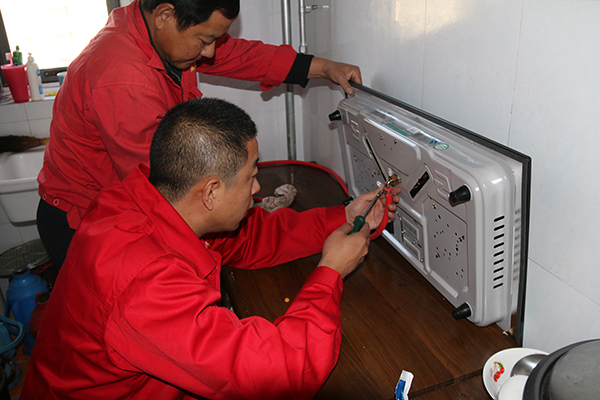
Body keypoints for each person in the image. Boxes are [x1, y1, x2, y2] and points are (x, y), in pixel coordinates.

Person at [22, 97, 399, 399]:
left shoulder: (143, 202)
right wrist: (330, 272)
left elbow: (250, 237)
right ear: (211, 192)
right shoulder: (143, 282)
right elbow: (281, 372)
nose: (257, 188)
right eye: (252, 175)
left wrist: (343, 217)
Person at [36, 0, 363, 268]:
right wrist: (328, 226)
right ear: (165, 14)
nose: (209, 52)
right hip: (81, 221)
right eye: (205, 40)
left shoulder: (156, 31)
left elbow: (243, 56)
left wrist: (324, 67)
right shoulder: (123, 80)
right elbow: (172, 198)